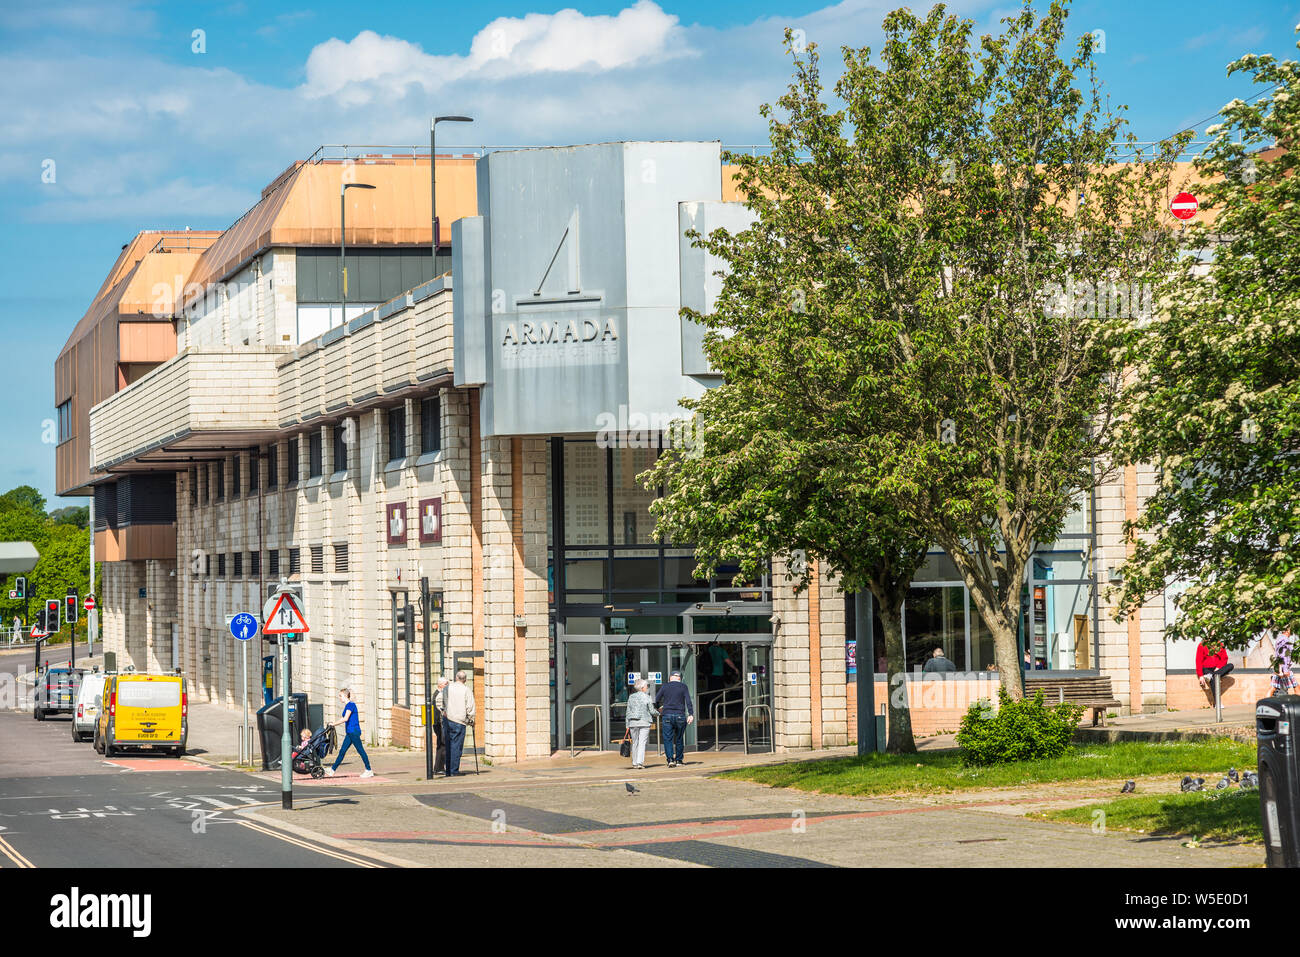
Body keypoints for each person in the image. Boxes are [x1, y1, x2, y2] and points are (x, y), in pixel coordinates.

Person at [326, 688, 373, 778]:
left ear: (345, 696)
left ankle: (369, 770)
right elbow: (345, 718)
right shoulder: (348, 705)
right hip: (350, 732)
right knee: (342, 751)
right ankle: (332, 770)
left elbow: (345, 718)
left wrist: (333, 724)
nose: (339, 698)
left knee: (360, 750)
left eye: (340, 696)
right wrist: (334, 723)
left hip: (354, 732)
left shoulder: (350, 705)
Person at [654, 670, 694, 768]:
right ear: (679, 678)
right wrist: (691, 714)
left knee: (668, 739)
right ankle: (679, 760)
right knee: (679, 738)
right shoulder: (683, 687)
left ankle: (670, 760)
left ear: (670, 677)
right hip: (680, 715)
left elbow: (656, 700)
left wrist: (659, 708)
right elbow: (688, 701)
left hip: (667, 715)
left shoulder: (665, 686)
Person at [439, 670, 475, 776]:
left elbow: (443, 702)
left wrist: (444, 711)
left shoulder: (447, 688)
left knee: (448, 745)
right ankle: (454, 770)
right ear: (465, 680)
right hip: (459, 721)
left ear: (456, 678)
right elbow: (470, 706)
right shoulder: (466, 690)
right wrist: (471, 719)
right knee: (456, 746)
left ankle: (448, 770)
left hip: (448, 719)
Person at [625, 678, 658, 769]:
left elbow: (628, 711)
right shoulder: (647, 697)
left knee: (635, 742)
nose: (647, 688)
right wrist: (658, 713)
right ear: (643, 688)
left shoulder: (631, 697)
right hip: (644, 722)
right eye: (646, 686)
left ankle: (635, 763)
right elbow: (651, 710)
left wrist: (627, 724)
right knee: (642, 743)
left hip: (633, 723)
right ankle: (640, 763)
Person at [1271, 625, 1297, 695]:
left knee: (1273, 689)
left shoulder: (1280, 639)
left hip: (1280, 668)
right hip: (1283, 669)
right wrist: (1283, 671)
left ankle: (1266, 703)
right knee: (1296, 687)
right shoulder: (1284, 640)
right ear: (1287, 631)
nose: (1291, 632)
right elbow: (1283, 656)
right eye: (1290, 630)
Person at [432, 676, 449, 774]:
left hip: (437, 723)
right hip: (439, 723)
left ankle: (438, 767)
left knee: (441, 745)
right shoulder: (438, 695)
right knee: (442, 745)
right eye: (446, 684)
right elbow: (439, 710)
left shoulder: (437, 693)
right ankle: (439, 768)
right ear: (441, 685)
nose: (448, 685)